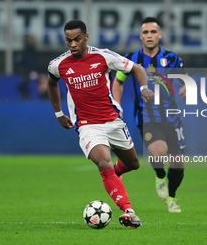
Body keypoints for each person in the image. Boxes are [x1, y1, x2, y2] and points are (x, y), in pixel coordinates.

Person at [47, 19, 154, 228]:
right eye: (68, 40)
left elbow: (137, 68)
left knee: (133, 164)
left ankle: (115, 177)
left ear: (86, 37)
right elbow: (52, 83)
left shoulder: (104, 56)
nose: (73, 44)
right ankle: (128, 211)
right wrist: (59, 113)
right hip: (87, 126)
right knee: (103, 163)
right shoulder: (58, 64)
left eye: (77, 39)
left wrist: (143, 89)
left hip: (113, 121)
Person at [112, 17, 187, 213]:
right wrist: (116, 104)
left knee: (178, 165)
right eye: (146, 32)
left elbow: (183, 78)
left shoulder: (171, 58)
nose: (150, 35)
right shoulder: (130, 59)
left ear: (160, 35)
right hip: (146, 118)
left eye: (153, 32)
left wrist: (185, 87)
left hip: (172, 118)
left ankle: (171, 198)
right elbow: (118, 81)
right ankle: (160, 175)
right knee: (158, 151)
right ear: (140, 36)